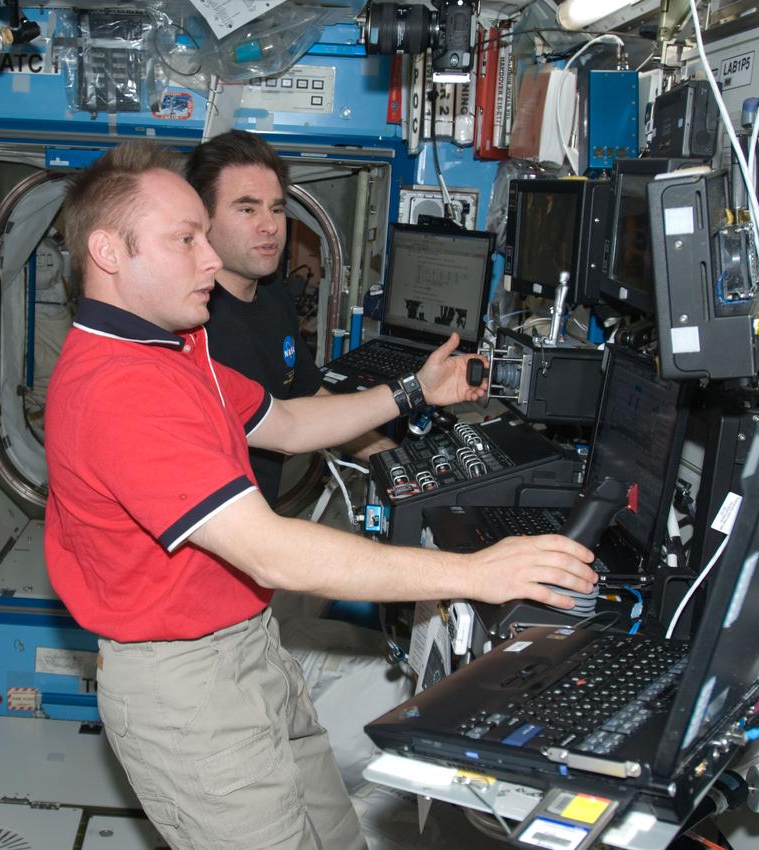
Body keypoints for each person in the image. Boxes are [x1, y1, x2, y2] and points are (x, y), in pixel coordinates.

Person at [44, 140, 596, 850]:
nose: (210, 258)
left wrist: (412, 391)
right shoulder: (120, 390)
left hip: (247, 645)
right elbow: (271, 553)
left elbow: (290, 420)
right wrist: (476, 573)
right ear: (109, 253)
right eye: (186, 240)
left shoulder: (177, 349)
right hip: (185, 686)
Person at [186, 130, 396, 501]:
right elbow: (287, 430)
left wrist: (394, 461)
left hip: (258, 522)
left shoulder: (273, 298)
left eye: (277, 209)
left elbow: (310, 397)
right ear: (202, 220)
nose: (270, 226)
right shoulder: (188, 327)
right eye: (247, 209)